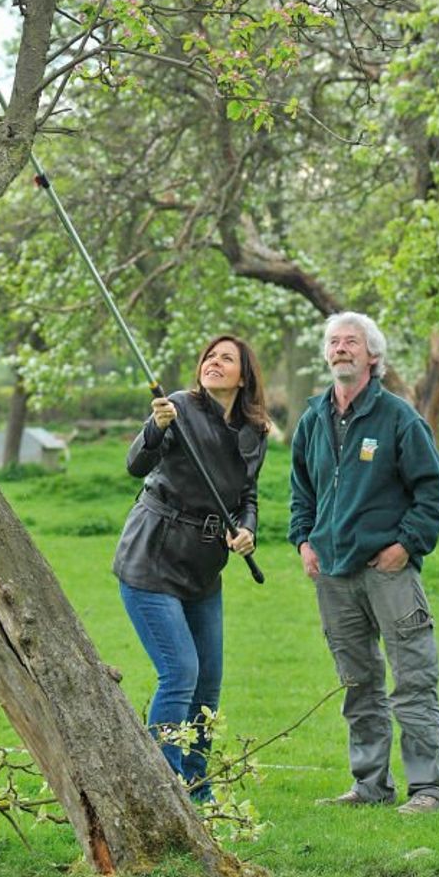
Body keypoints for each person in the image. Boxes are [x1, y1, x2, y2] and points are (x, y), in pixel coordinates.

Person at [289, 311, 439, 814]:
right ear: (326, 355)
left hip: (388, 572)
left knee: (413, 680)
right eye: (334, 342)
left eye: (352, 342)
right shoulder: (313, 418)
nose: (341, 349)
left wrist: (406, 544)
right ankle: (370, 786)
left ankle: (429, 789)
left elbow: (433, 491)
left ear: (372, 356)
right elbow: (301, 491)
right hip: (333, 575)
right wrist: (303, 541)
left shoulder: (398, 417)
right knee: (358, 684)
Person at [113, 334, 270, 799]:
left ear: (244, 377)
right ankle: (165, 789)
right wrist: (156, 428)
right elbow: (135, 465)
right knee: (180, 671)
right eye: (209, 357)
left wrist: (247, 529)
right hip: (152, 558)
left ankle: (196, 790)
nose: (214, 363)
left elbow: (247, 497)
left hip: (204, 569)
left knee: (207, 683)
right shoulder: (176, 407)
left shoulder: (255, 432)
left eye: (226, 359)